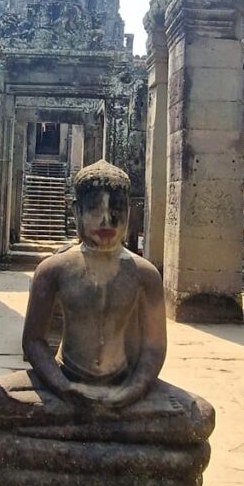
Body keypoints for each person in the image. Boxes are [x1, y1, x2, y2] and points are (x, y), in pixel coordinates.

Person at [21, 159, 167, 409]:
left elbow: (154, 347)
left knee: (201, 414)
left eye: (117, 210)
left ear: (129, 212)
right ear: (76, 210)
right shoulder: (53, 270)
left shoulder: (145, 275)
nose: (106, 221)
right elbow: (33, 341)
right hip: (67, 378)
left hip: (125, 382)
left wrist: (131, 391)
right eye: (94, 209)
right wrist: (64, 387)